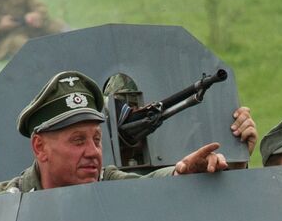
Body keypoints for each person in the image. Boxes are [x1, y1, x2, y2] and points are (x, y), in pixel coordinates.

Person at [0, 71, 239, 195]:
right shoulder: (3, 205)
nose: (92, 152)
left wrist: (181, 171)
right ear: (40, 147)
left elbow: (147, 187)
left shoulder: (107, 184)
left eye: (96, 139)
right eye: (77, 141)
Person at [102, 72, 258, 171]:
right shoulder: (98, 175)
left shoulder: (185, 158)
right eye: (128, 112)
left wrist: (236, 162)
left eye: (139, 108)